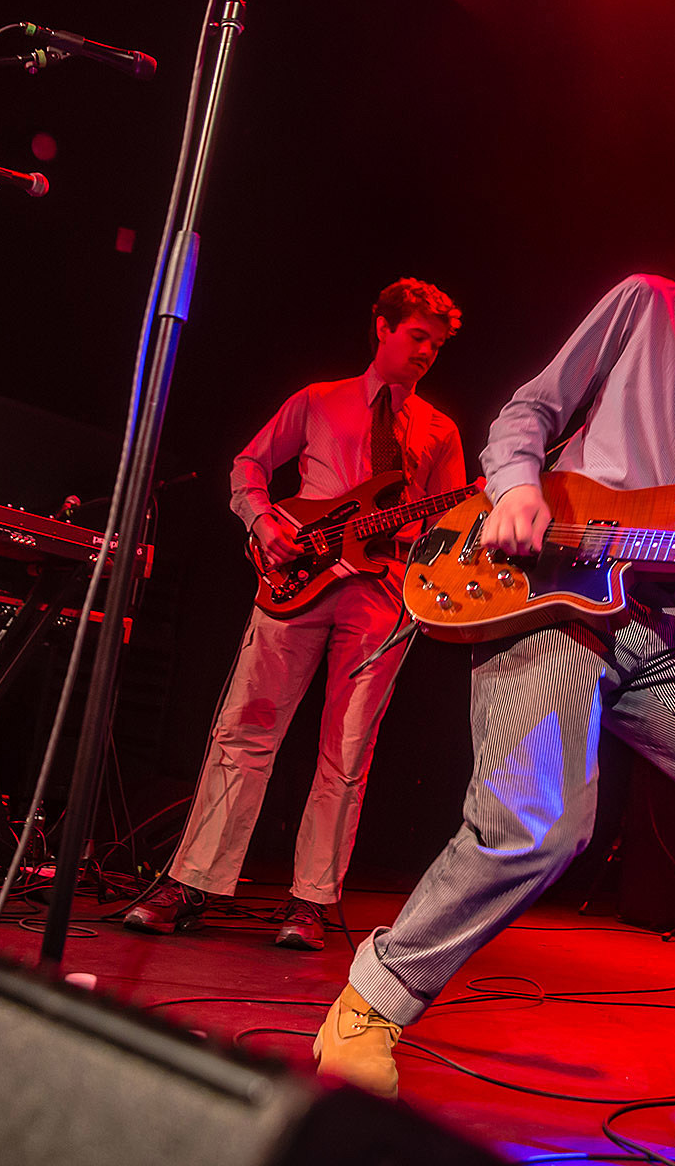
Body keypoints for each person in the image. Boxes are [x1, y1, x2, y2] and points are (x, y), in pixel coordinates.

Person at [311, 165, 675, 1166]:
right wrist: (517, 489)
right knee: (540, 820)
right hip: (551, 603)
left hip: (669, 634)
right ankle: (366, 1008)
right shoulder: (643, 308)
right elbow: (525, 415)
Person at [124, 278, 467, 951]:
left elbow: (449, 526)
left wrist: (431, 539)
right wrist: (264, 521)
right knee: (245, 729)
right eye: (417, 335)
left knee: (347, 751)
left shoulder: (440, 430)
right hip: (295, 580)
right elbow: (249, 464)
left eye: (438, 343)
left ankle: (309, 900)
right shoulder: (319, 400)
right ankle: (191, 881)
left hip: (382, 593)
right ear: (383, 327)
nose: (427, 351)